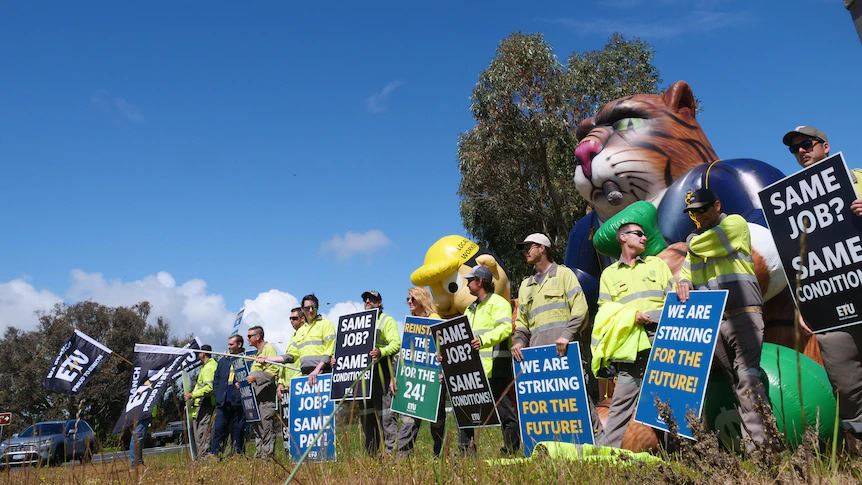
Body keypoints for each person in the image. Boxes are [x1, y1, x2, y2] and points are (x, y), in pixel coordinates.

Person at [783, 126, 862, 449]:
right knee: (846, 383)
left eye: (807, 144)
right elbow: (795, 258)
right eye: (795, 149)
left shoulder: (856, 178)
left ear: (825, 147)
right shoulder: (788, 202)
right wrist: (803, 304)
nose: (801, 151)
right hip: (827, 306)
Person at [677, 188, 773, 453]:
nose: (699, 216)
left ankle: (760, 452)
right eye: (693, 212)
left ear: (717, 205)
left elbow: (698, 246)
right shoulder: (698, 239)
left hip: (744, 315)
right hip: (713, 323)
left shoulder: (735, 224)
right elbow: (685, 272)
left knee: (748, 379)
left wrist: (690, 243)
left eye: (703, 209)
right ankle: (742, 448)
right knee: (734, 383)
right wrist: (683, 281)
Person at [592, 223, 674, 448]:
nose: (644, 238)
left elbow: (674, 299)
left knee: (668, 400)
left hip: (661, 341)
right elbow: (605, 314)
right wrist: (631, 316)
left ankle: (677, 454)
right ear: (622, 237)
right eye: (638, 234)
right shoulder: (608, 274)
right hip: (630, 348)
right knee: (621, 404)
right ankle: (606, 455)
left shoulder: (657, 264)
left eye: (645, 234)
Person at [510, 233, 600, 433]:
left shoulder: (564, 274)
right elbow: (523, 322)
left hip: (564, 352)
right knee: (544, 404)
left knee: (577, 397)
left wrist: (566, 335)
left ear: (542, 248)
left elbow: (580, 308)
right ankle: (550, 445)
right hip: (537, 358)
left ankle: (597, 439)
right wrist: (518, 341)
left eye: (529, 247)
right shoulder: (526, 285)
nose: (525, 252)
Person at [460, 265, 519, 455]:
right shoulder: (470, 309)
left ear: (480, 281)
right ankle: (465, 451)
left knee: (506, 412)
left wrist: (484, 341)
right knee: (465, 410)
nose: (467, 284)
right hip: (474, 370)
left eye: (470, 280)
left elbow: (505, 328)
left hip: (496, 368)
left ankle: (510, 451)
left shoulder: (499, 303)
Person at [388, 287, 442, 456]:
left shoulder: (435, 319)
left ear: (422, 299)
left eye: (413, 299)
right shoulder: (411, 323)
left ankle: (439, 455)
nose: (409, 302)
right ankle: (402, 459)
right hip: (413, 379)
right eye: (408, 299)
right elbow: (404, 354)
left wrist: (443, 372)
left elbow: (443, 350)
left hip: (434, 379)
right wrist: (394, 377)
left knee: (437, 422)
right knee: (409, 420)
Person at [359, 290, 400, 456]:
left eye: (372, 298)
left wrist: (381, 352)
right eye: (365, 299)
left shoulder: (386, 320)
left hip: (382, 372)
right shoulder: (359, 323)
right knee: (367, 418)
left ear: (379, 301)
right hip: (363, 377)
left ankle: (391, 455)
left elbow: (396, 344)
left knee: (386, 416)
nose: (368, 301)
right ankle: (372, 456)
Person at [258, 295, 336, 384]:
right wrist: (268, 358)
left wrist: (316, 370)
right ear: (302, 310)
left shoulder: (326, 324)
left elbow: (329, 351)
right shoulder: (301, 330)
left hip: (322, 374)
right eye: (307, 308)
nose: (310, 310)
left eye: (313, 307)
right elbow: (290, 356)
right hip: (306, 376)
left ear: (317, 308)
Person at [210, 335, 247, 456]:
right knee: (219, 430)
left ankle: (238, 454)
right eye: (229, 344)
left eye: (231, 344)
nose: (229, 347)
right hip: (223, 402)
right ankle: (216, 454)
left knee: (238, 431)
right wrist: (218, 395)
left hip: (238, 403)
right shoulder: (223, 361)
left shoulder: (246, 359)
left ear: (239, 345)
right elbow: (216, 380)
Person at [246, 325, 279, 459]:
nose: (247, 339)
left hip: (266, 399)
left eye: (249, 336)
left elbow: (273, 371)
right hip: (256, 399)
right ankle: (260, 455)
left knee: (266, 428)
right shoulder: (257, 353)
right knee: (258, 428)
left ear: (258, 337)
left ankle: (268, 457)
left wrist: (256, 378)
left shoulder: (269, 348)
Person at [184, 344, 216, 458]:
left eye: (199, 353)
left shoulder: (209, 367)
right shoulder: (206, 366)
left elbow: (209, 388)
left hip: (205, 403)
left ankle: (205, 457)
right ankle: (202, 456)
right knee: (199, 432)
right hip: (201, 404)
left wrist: (192, 395)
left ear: (203, 353)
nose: (198, 355)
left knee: (202, 431)